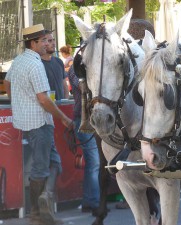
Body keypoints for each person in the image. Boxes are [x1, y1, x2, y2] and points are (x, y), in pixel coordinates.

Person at [4, 24, 73, 225]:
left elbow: (8, 83)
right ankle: (37, 214)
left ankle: (44, 205)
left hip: (30, 122)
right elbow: (43, 99)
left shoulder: (19, 60)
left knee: (53, 164)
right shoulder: (35, 64)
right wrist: (63, 117)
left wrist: (17, 100)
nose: (47, 43)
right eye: (43, 40)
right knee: (41, 169)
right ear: (33, 43)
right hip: (40, 123)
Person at [67, 54, 100, 216]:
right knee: (94, 161)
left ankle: (89, 201)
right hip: (83, 119)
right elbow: (83, 88)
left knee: (94, 162)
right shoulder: (75, 68)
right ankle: (93, 202)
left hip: (95, 118)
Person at [42, 30, 69, 100]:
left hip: (61, 107)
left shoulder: (59, 61)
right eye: (50, 41)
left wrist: (65, 101)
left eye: (53, 40)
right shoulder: (37, 64)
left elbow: (65, 85)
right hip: (45, 108)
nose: (53, 43)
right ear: (43, 43)